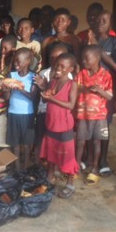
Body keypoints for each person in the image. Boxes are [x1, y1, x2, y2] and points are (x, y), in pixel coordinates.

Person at [86, 10, 116, 177]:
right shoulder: (88, 39)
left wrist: (97, 48)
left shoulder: (115, 42)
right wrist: (90, 44)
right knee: (88, 124)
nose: (100, 22)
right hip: (89, 91)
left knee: (104, 127)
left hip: (105, 91)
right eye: (98, 19)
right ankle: (88, 158)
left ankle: (103, 160)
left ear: (110, 24)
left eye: (105, 20)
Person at [40, 53, 79, 198]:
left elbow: (71, 105)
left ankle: (70, 183)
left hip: (64, 126)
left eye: (63, 66)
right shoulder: (53, 81)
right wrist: (45, 94)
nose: (58, 68)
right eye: (57, 65)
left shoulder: (72, 84)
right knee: (51, 151)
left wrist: (52, 99)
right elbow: (46, 101)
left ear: (71, 69)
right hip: (51, 123)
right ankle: (50, 176)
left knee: (67, 155)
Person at [75, 45, 113, 185]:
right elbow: (75, 90)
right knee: (80, 141)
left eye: (87, 58)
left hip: (99, 116)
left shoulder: (105, 75)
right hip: (82, 115)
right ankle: (76, 166)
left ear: (97, 58)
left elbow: (109, 96)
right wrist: (83, 89)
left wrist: (99, 91)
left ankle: (95, 168)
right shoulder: (81, 74)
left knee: (97, 142)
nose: (84, 61)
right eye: (82, 58)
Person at [33, 43, 69, 165]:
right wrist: (43, 88)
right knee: (40, 139)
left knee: (55, 141)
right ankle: (38, 164)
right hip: (44, 112)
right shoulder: (44, 73)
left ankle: (54, 166)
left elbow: (64, 97)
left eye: (58, 58)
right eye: (51, 57)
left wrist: (46, 85)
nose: (54, 60)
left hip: (58, 115)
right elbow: (42, 98)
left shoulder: (67, 76)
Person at [4, 48, 38, 170]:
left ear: (28, 61)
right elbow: (7, 97)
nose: (16, 64)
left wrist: (19, 88)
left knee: (27, 144)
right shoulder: (11, 75)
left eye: (19, 62)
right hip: (13, 113)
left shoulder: (33, 76)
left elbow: (32, 96)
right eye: (15, 62)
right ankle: (18, 168)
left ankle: (25, 168)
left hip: (27, 114)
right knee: (16, 144)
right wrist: (7, 89)